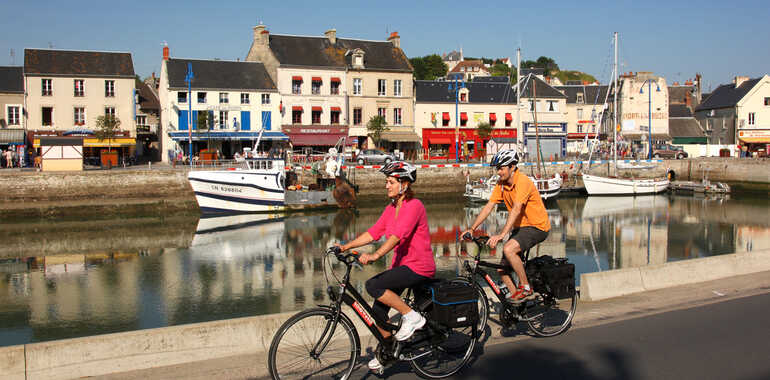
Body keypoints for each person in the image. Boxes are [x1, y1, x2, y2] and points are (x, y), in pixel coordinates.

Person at [335, 161, 435, 372]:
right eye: (386, 182)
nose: (386, 186)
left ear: (404, 184)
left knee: (373, 285)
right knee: (377, 312)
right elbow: (374, 232)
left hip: (419, 267)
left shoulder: (414, 205)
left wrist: (375, 255)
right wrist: (346, 246)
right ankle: (390, 352)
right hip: (402, 266)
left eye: (390, 182)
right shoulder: (391, 208)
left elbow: (398, 237)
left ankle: (413, 317)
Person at [462, 149, 550, 303]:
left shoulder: (523, 182)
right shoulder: (501, 184)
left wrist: (502, 234)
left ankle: (526, 288)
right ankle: (518, 303)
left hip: (537, 226)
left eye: (501, 168)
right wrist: (472, 228)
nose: (499, 172)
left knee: (509, 249)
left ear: (513, 167)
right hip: (520, 228)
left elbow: (516, 209)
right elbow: (489, 206)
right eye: (498, 168)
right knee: (502, 270)